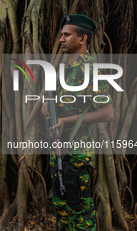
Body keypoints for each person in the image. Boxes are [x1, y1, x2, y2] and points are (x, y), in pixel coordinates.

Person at [41, 14, 114, 230]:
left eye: (67, 35)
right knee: (62, 209)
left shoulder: (90, 69)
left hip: (78, 153)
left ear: (82, 39)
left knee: (79, 210)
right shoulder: (65, 67)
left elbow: (108, 113)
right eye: (61, 35)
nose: (61, 39)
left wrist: (66, 120)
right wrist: (47, 104)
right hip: (59, 150)